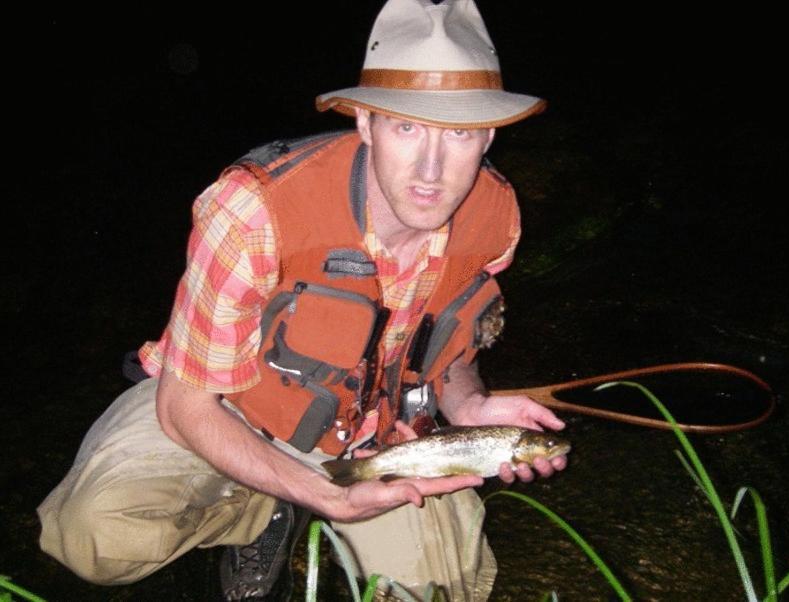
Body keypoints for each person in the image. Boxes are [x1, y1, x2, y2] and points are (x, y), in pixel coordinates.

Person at [37, 1, 568, 600]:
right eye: (407, 127)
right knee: (95, 537)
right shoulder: (254, 210)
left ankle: (289, 497)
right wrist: (322, 494)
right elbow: (185, 405)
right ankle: (263, 512)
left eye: (460, 134)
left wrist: (469, 406)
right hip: (229, 406)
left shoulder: (495, 218)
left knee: (444, 590)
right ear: (364, 122)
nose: (431, 168)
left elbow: (452, 347)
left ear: (490, 135)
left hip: (368, 435)